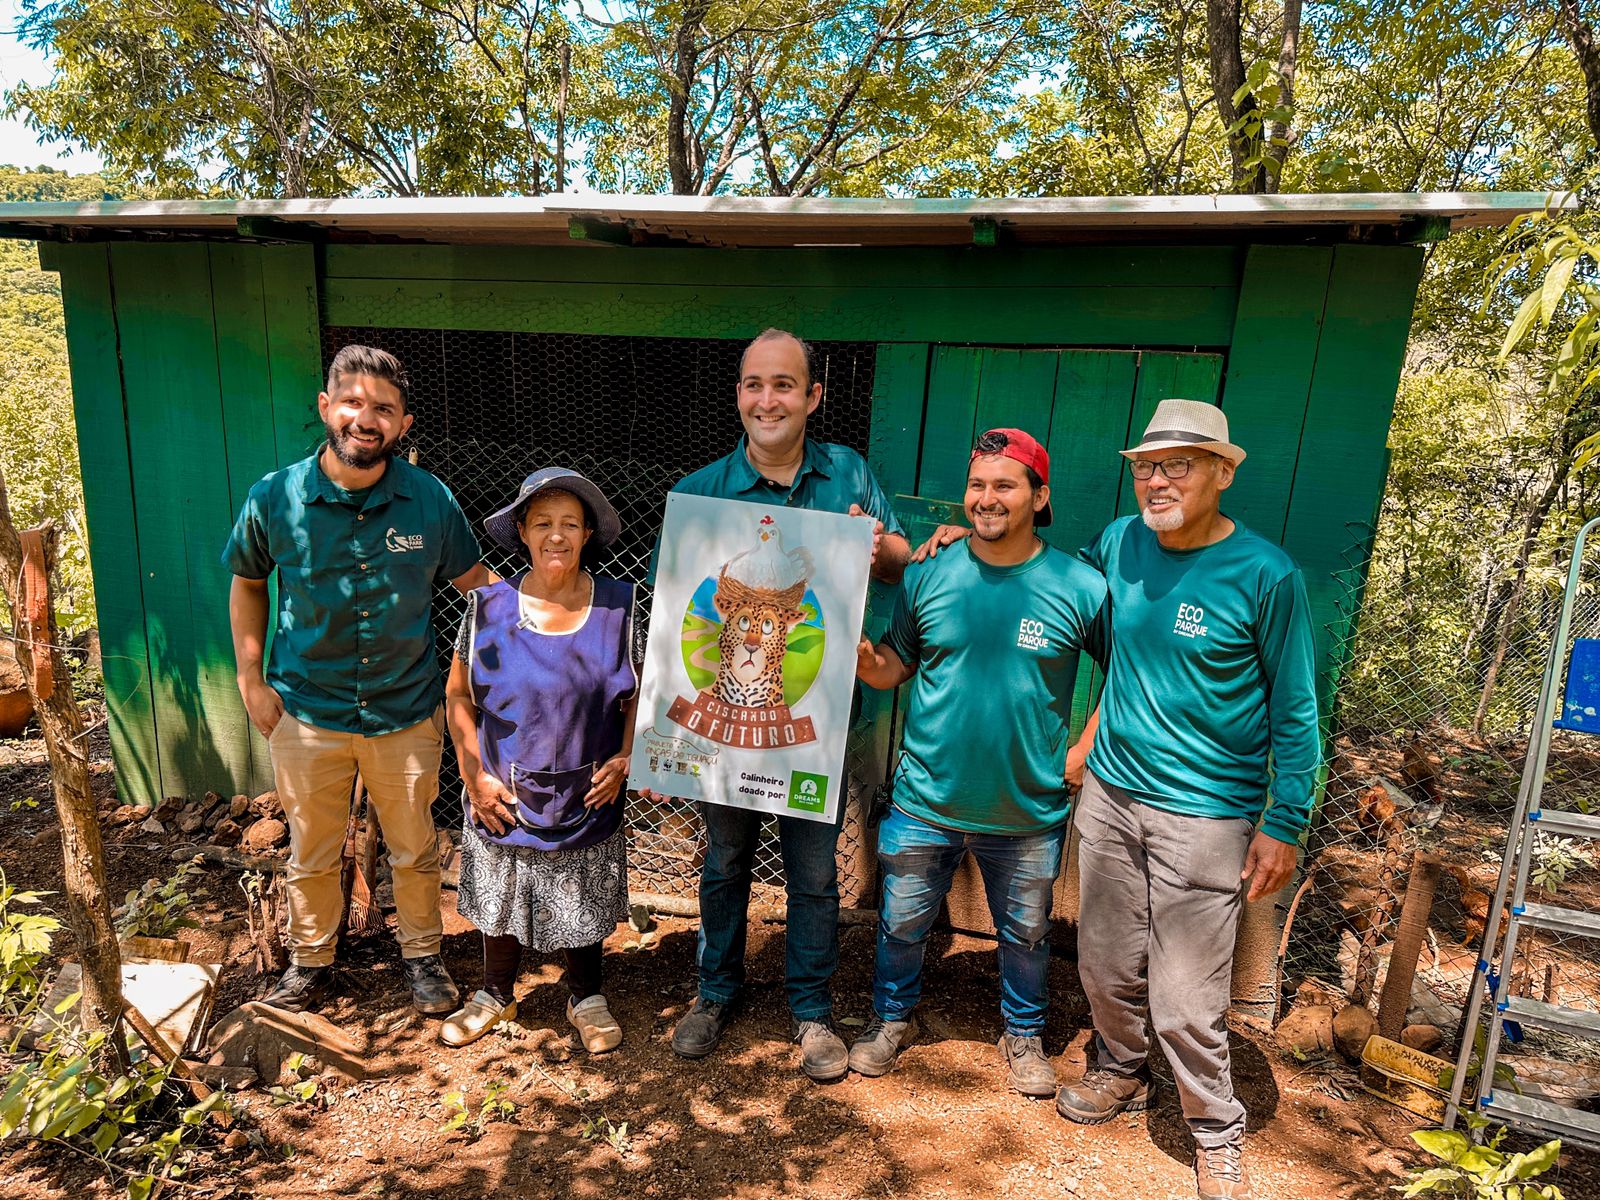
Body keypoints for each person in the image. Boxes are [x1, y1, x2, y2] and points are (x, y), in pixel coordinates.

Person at [920, 399, 1318, 1200]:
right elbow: (1052, 590)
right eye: (1146, 465)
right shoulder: (1119, 544)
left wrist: (1283, 819)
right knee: (1103, 963)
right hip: (1110, 797)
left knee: (1185, 997)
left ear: (1221, 473)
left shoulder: (1267, 575)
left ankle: (1216, 1130)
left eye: (1179, 464)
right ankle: (1119, 1069)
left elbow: (1297, 708)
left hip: (1208, 814)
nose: (1158, 479)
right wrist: (978, 545)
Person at [650, 328, 912, 1083]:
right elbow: (677, 619)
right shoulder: (701, 494)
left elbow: (896, 558)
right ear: (739, 395)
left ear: (811, 397)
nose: (768, 399)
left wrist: (875, 546)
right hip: (724, 732)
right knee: (725, 862)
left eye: (784, 385)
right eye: (754, 384)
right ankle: (714, 993)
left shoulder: (849, 475)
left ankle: (811, 1011)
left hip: (812, 731)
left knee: (814, 874)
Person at [224, 344, 492, 1015]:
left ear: (403, 423)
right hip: (307, 711)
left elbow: (478, 589)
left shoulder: (429, 501)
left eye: (382, 409)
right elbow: (248, 584)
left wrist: (553, 617)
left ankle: (424, 958)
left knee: (414, 847)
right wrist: (250, 681)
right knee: (310, 849)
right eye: (352, 402)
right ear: (325, 407)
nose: (364, 418)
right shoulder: (275, 497)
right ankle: (311, 961)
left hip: (406, 709)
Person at [853, 429, 1106, 1097]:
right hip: (924, 800)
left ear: (1039, 496)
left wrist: (1083, 750)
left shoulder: (1080, 586)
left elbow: (1129, 675)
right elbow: (893, 667)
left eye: (1005, 485)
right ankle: (891, 1020)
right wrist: (860, 659)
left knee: (1024, 934)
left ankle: (1022, 1036)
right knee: (902, 923)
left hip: (1025, 809)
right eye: (977, 485)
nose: (986, 499)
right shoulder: (929, 574)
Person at [439, 467, 640, 1052]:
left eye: (570, 524)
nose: (557, 535)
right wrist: (474, 774)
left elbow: (641, 696)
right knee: (502, 893)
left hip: (588, 788)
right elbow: (458, 695)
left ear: (587, 535)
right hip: (503, 785)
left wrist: (627, 754)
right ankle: (495, 993)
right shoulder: (486, 609)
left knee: (583, 890)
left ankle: (586, 996)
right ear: (522, 532)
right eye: (544, 523)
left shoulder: (619, 609)